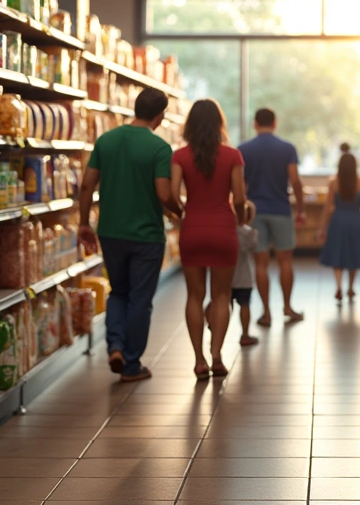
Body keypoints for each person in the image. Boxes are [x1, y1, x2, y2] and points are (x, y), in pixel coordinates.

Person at [78, 87, 176, 382]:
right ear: (160, 116)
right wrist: (178, 210)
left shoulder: (106, 140)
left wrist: (84, 223)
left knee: (118, 292)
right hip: (146, 235)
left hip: (110, 232)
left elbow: (86, 186)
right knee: (140, 299)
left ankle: (115, 346)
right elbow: (163, 192)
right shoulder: (159, 148)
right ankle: (131, 363)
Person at [171, 99, 246, 379]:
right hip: (223, 229)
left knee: (194, 295)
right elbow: (238, 198)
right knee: (221, 296)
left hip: (193, 228)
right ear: (219, 124)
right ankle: (216, 356)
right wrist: (241, 216)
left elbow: (171, 194)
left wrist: (181, 212)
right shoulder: (232, 156)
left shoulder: (179, 156)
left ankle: (198, 360)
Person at [238, 108, 305, 326]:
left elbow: (241, 185)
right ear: (275, 123)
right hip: (281, 209)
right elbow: (295, 181)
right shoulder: (287, 148)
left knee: (260, 264)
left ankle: (266, 313)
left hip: (255, 212)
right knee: (285, 262)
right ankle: (287, 307)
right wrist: (301, 208)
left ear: (255, 124)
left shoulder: (244, 149)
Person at [317, 144, 360, 301]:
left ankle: (338, 287)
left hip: (338, 221)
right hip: (356, 221)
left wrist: (322, 229)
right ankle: (350, 288)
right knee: (353, 255)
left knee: (338, 254)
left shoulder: (333, 182)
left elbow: (327, 208)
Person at [231, 201, 260, 347]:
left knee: (223, 304)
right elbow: (253, 246)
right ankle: (245, 334)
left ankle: (215, 326)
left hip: (228, 277)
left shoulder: (228, 232)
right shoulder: (249, 233)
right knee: (245, 305)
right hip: (245, 278)